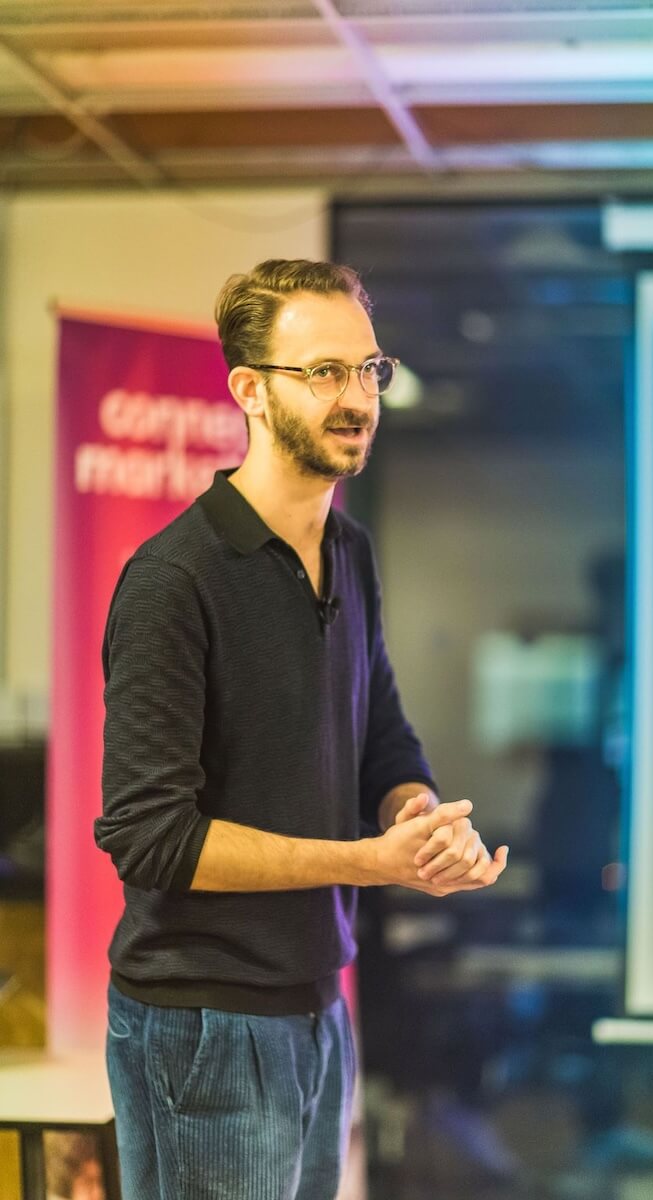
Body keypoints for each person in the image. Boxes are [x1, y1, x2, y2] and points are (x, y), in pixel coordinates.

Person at [95, 258, 509, 1200]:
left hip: (320, 1004)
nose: (356, 395)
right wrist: (368, 862)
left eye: (369, 370)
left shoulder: (349, 552)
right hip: (204, 1024)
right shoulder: (174, 581)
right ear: (248, 390)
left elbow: (383, 740)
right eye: (323, 372)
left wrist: (420, 821)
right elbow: (150, 836)